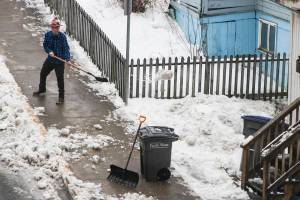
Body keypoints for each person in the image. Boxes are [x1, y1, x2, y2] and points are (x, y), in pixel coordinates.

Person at [33, 17, 71, 105]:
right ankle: (42, 89)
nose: (55, 29)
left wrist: (68, 59)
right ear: (51, 28)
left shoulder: (62, 37)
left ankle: (61, 98)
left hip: (59, 62)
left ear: (58, 28)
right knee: (43, 73)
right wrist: (49, 51)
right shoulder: (48, 35)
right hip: (50, 60)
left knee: (60, 80)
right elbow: (45, 45)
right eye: (54, 28)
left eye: (57, 28)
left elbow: (66, 49)